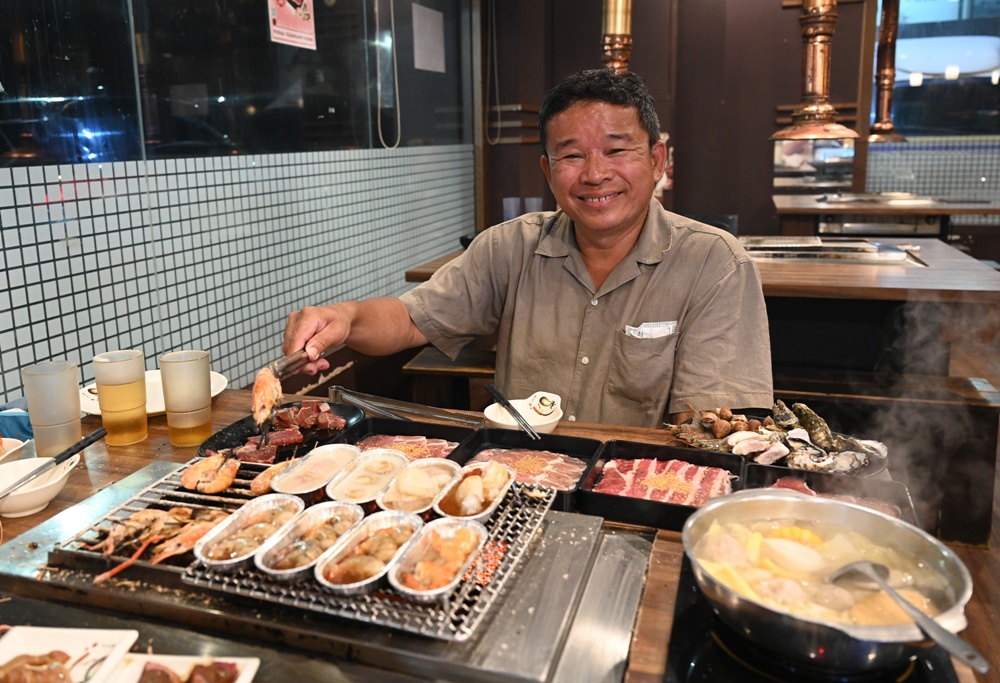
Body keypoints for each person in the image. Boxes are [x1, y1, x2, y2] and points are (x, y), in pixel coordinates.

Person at [282, 68, 773, 428]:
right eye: (572, 155)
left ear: (657, 158)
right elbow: (413, 318)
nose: (595, 173)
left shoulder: (714, 263)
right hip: (520, 480)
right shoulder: (509, 247)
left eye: (618, 150)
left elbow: (707, 425)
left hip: (638, 490)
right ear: (548, 171)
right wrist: (345, 316)